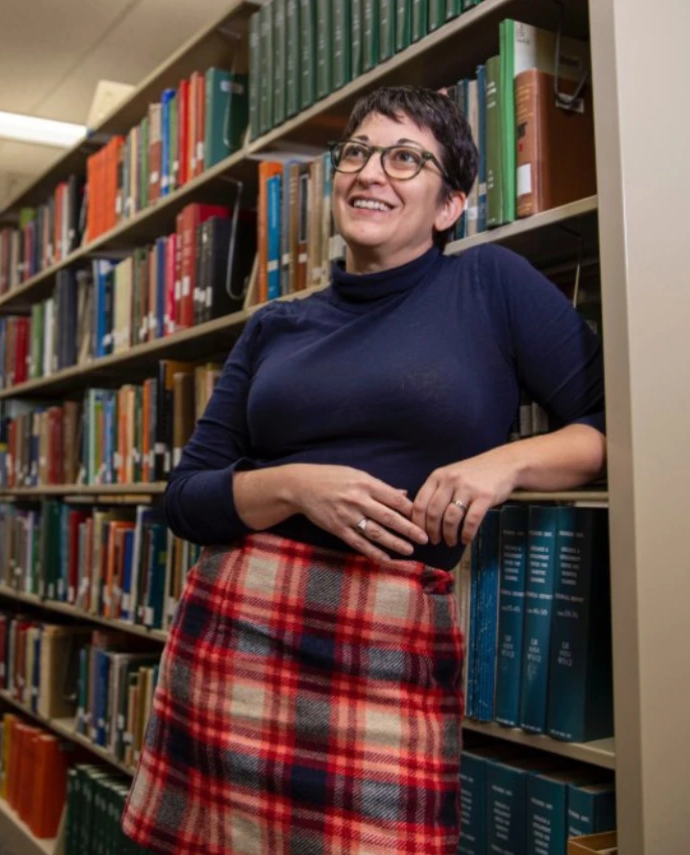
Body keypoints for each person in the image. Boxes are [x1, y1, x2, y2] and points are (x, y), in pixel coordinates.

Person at [121, 86, 606, 855]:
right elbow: (186, 498)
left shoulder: (492, 286)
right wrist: (293, 483)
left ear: (450, 205)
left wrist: (506, 463)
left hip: (390, 642)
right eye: (357, 153)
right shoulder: (275, 325)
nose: (370, 172)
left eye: (406, 158)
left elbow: (616, 427)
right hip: (242, 633)